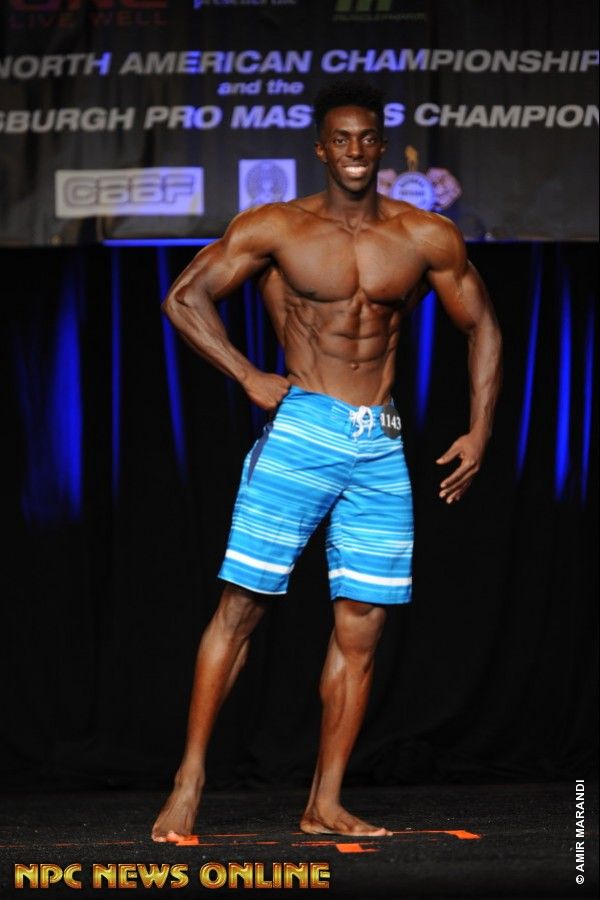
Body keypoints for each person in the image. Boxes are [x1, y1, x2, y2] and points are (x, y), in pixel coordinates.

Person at [151, 80, 502, 842]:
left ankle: (325, 802)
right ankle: (189, 779)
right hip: (303, 427)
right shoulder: (279, 226)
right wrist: (247, 374)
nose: (354, 151)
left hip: (380, 441)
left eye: (366, 138)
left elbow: (483, 326)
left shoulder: (423, 235)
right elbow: (184, 297)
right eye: (340, 139)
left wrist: (480, 432)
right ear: (321, 148)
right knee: (242, 606)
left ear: (382, 146)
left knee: (363, 626)